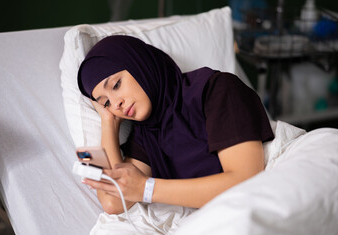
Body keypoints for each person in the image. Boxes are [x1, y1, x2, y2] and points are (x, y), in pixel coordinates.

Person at [77, 35, 274, 215]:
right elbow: (114, 202)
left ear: (140, 65)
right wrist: (108, 123)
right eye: (106, 103)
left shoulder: (216, 90)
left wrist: (147, 188)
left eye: (116, 85)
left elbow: (246, 181)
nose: (116, 104)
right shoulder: (145, 135)